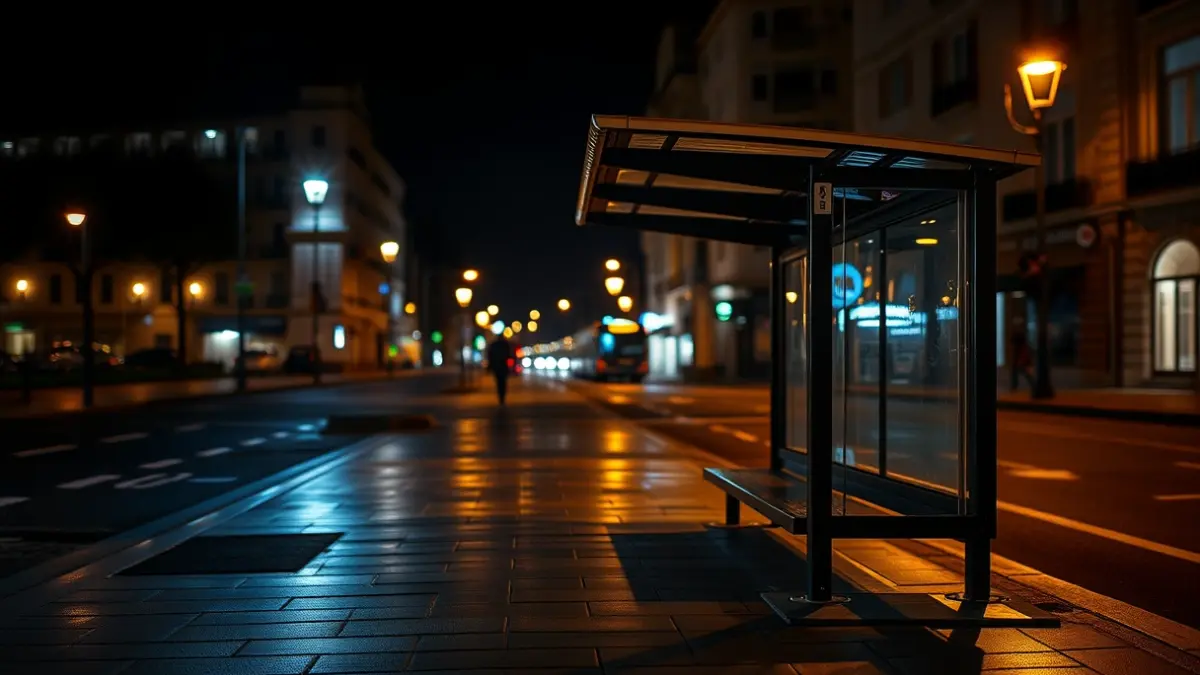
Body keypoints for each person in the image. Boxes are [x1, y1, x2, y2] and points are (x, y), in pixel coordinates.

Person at [485, 334, 513, 405]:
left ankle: (501, 397)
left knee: (499, 382)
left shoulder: (494, 345)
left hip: (497, 366)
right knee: (503, 382)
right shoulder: (505, 344)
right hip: (503, 366)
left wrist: (490, 366)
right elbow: (509, 355)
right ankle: (502, 397)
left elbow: (490, 356)